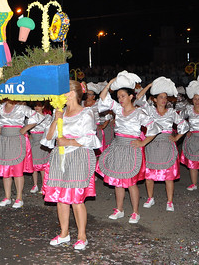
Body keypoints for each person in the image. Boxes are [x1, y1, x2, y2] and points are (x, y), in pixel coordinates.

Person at [42, 80, 101, 250]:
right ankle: (64, 233)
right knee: (61, 198)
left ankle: (82, 236)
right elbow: (47, 138)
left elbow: (90, 138)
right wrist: (56, 119)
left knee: (75, 198)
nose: (61, 95)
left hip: (78, 155)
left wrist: (68, 141)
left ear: (73, 93)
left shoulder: (86, 113)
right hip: (60, 157)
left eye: (64, 91)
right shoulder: (59, 112)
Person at [96, 71, 161, 224]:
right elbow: (103, 97)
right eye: (118, 97)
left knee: (131, 182)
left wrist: (143, 143)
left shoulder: (139, 113)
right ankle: (119, 209)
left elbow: (155, 128)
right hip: (118, 145)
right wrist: (112, 82)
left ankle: (135, 212)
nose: (120, 99)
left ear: (131, 96)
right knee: (118, 180)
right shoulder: (118, 109)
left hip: (132, 147)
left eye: (123, 96)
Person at [135, 77, 189, 212]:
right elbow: (138, 98)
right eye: (160, 97)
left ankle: (169, 201)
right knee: (150, 174)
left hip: (167, 145)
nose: (164, 100)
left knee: (168, 176)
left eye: (165, 97)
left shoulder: (171, 112)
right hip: (152, 144)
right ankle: (150, 198)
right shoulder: (150, 110)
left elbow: (184, 125)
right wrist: (150, 85)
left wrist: (176, 138)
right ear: (154, 99)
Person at [0, 99, 44, 208]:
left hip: (17, 139)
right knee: (6, 171)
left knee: (17, 171)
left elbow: (37, 117)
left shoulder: (21, 107)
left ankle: (19, 198)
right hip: (4, 140)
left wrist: (25, 129)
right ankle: (7, 197)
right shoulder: (1, 107)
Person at [28, 101, 52, 193]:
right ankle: (35, 185)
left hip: (42, 141)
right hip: (32, 140)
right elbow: (28, 129)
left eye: (39, 105)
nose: (37, 107)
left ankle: (43, 185)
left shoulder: (47, 117)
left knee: (42, 165)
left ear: (43, 106)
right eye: (35, 105)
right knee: (33, 165)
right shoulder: (31, 117)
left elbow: (50, 130)